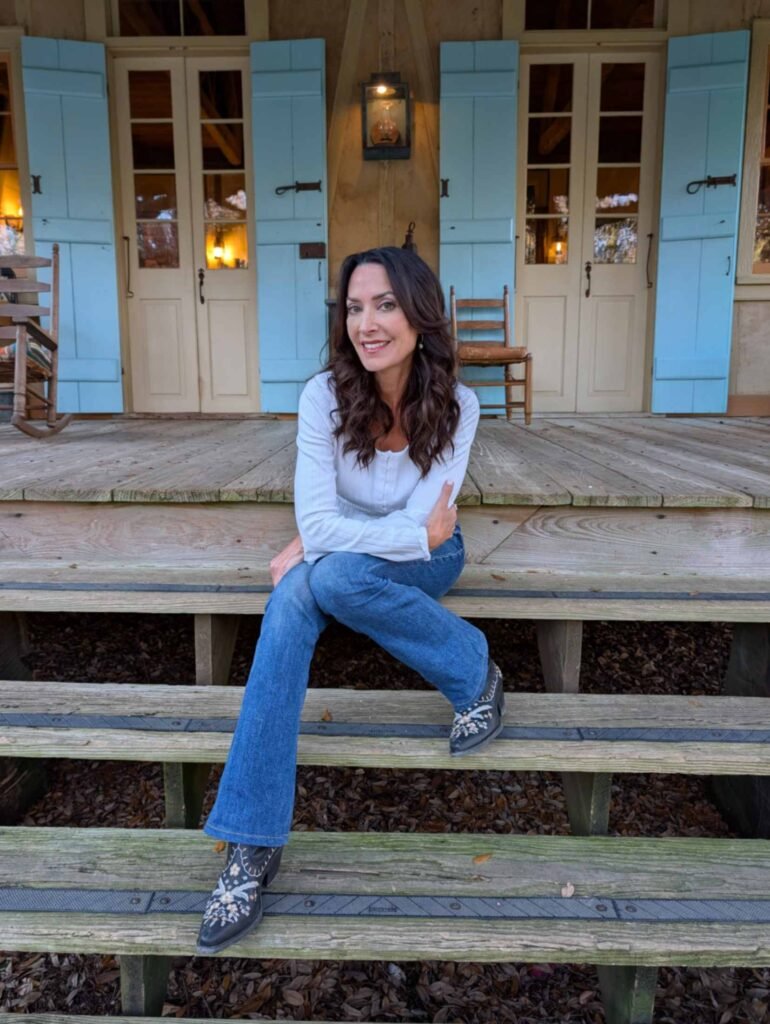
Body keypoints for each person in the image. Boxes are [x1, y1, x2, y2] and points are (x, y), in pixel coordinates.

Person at [196, 246, 504, 955]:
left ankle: (248, 848)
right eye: (355, 307)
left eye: (386, 305)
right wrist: (324, 538)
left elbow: (431, 530)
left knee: (324, 574)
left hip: (429, 559)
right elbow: (329, 524)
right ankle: (252, 842)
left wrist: (326, 539)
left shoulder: (460, 404)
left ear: (422, 316)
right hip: (366, 554)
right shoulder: (322, 397)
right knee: (302, 595)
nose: (367, 323)